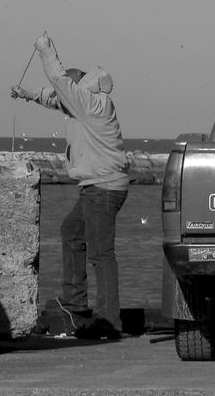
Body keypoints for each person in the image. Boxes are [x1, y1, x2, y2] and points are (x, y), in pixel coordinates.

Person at [10, 33, 129, 339]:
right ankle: (75, 302)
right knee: (71, 232)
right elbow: (56, 96)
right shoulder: (89, 103)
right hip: (98, 185)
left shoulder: (90, 105)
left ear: (79, 88)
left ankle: (109, 322)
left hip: (103, 188)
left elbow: (59, 84)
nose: (63, 101)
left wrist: (45, 49)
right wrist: (28, 95)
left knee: (102, 254)